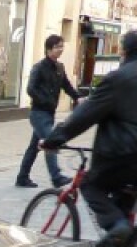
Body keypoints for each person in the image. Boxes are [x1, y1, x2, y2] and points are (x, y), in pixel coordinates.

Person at [42, 28, 137, 247]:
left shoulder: (121, 77)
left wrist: (54, 139)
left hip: (133, 154)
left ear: (125, 51)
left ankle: (117, 226)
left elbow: (85, 114)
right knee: (124, 196)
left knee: (90, 184)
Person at [16, 34, 86, 188]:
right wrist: (46, 101)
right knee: (50, 142)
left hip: (49, 114)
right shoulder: (39, 67)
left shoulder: (60, 67)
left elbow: (66, 85)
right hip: (39, 113)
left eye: (62, 46)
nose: (60, 50)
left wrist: (77, 97)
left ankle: (22, 177)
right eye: (57, 47)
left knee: (34, 147)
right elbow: (31, 89)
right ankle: (56, 177)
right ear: (49, 49)